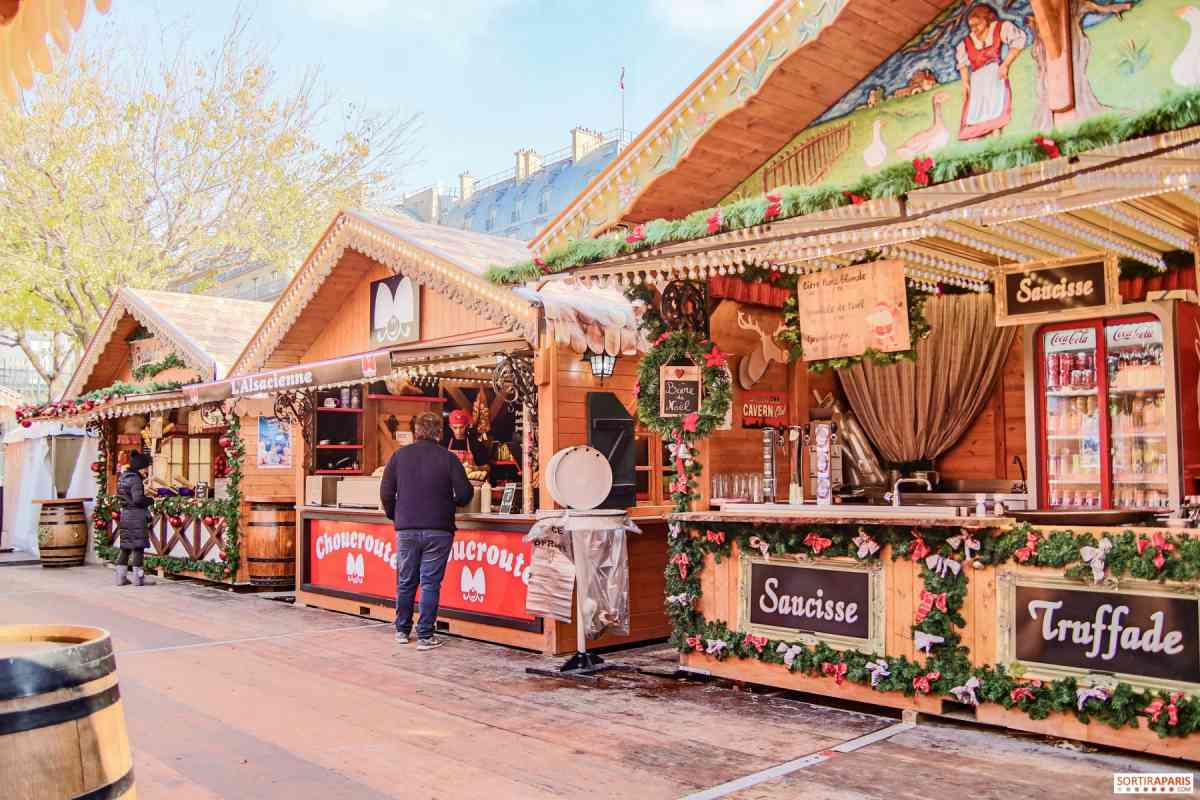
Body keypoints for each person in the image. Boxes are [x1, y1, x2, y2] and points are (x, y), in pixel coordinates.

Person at [380, 412, 474, 651]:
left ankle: (402, 631)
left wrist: (396, 515)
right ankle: (425, 636)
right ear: (439, 433)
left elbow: (386, 493)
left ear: (416, 431)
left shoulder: (399, 456)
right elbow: (465, 494)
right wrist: (448, 503)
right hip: (439, 529)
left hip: (407, 529)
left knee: (406, 581)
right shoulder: (448, 458)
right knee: (430, 583)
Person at [956, 4, 1027, 140]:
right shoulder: (966, 42)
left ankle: (996, 137)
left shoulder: (1000, 28)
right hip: (977, 80)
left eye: (977, 24)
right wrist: (965, 83)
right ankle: (976, 138)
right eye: (971, 26)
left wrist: (1005, 64)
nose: (974, 29)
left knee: (995, 106)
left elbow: (1018, 41)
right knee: (977, 110)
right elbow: (963, 64)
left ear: (986, 20)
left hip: (994, 75)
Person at [115, 450, 156, 587]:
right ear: (140, 467)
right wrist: (150, 500)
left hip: (126, 515)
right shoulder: (136, 479)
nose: (146, 471)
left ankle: (120, 578)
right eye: (146, 468)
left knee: (125, 548)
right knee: (138, 547)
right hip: (137, 516)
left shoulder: (123, 477)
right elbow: (138, 499)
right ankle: (139, 579)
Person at [443, 408, 491, 474]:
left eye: (461, 427)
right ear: (450, 426)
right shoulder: (444, 444)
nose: (458, 431)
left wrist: (475, 468)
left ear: (466, 426)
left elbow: (487, 467)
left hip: (470, 482)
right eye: (455, 427)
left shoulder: (475, 444)